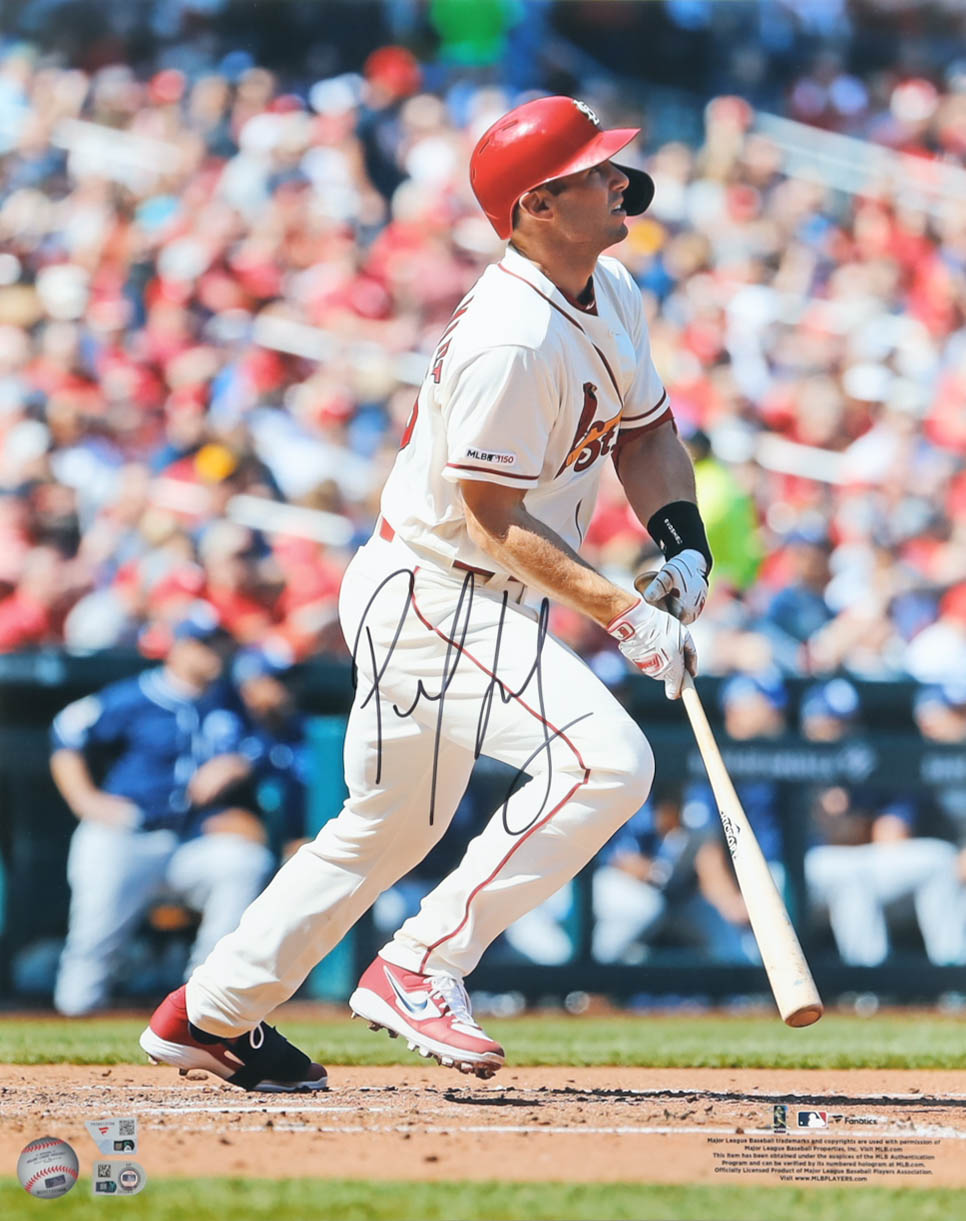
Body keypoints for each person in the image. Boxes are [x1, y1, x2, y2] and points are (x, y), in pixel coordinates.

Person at [139, 95, 712, 1089]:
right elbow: (492, 517)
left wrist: (683, 542)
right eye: (592, 170)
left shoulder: (609, 286)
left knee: (389, 827)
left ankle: (208, 1012)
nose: (619, 178)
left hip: (470, 590)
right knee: (609, 763)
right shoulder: (511, 336)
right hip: (441, 590)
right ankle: (422, 961)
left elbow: (647, 431)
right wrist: (625, 616)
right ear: (537, 206)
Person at [51, 607, 276, 1017]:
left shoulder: (228, 700)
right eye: (202, 644)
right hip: (125, 834)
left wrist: (236, 764)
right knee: (93, 941)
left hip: (188, 840)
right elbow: (66, 731)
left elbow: (264, 745)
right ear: (177, 647)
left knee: (243, 863)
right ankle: (75, 1012)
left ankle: (201, 1002)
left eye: (218, 643)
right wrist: (85, 800)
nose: (213, 653)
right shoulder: (134, 696)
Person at [802, 678, 965, 966]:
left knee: (939, 863)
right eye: (831, 722)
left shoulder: (862, 764)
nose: (841, 730)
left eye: (847, 722)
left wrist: (851, 825)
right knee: (849, 877)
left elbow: (890, 835)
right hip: (800, 868)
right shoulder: (792, 759)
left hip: (861, 865)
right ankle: (869, 983)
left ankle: (952, 977)